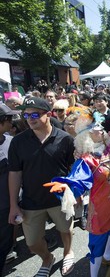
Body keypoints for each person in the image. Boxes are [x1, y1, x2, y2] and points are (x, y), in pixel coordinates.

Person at [44, 111, 110, 277]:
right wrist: (68, 187)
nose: (100, 129)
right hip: (101, 211)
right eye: (95, 127)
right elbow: (78, 179)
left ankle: (109, 255)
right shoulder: (85, 159)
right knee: (97, 245)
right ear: (86, 135)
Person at [8, 97, 75, 276]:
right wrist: (14, 205)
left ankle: (68, 252)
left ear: (49, 114)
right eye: (26, 114)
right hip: (31, 201)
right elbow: (15, 173)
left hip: (59, 199)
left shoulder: (65, 139)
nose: (30, 118)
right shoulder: (18, 142)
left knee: (65, 230)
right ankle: (47, 258)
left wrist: (75, 191)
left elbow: (73, 170)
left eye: (35, 114)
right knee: (31, 243)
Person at [0, 105, 21, 276]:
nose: (12, 122)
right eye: (9, 119)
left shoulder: (11, 142)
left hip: (8, 205)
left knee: (5, 243)